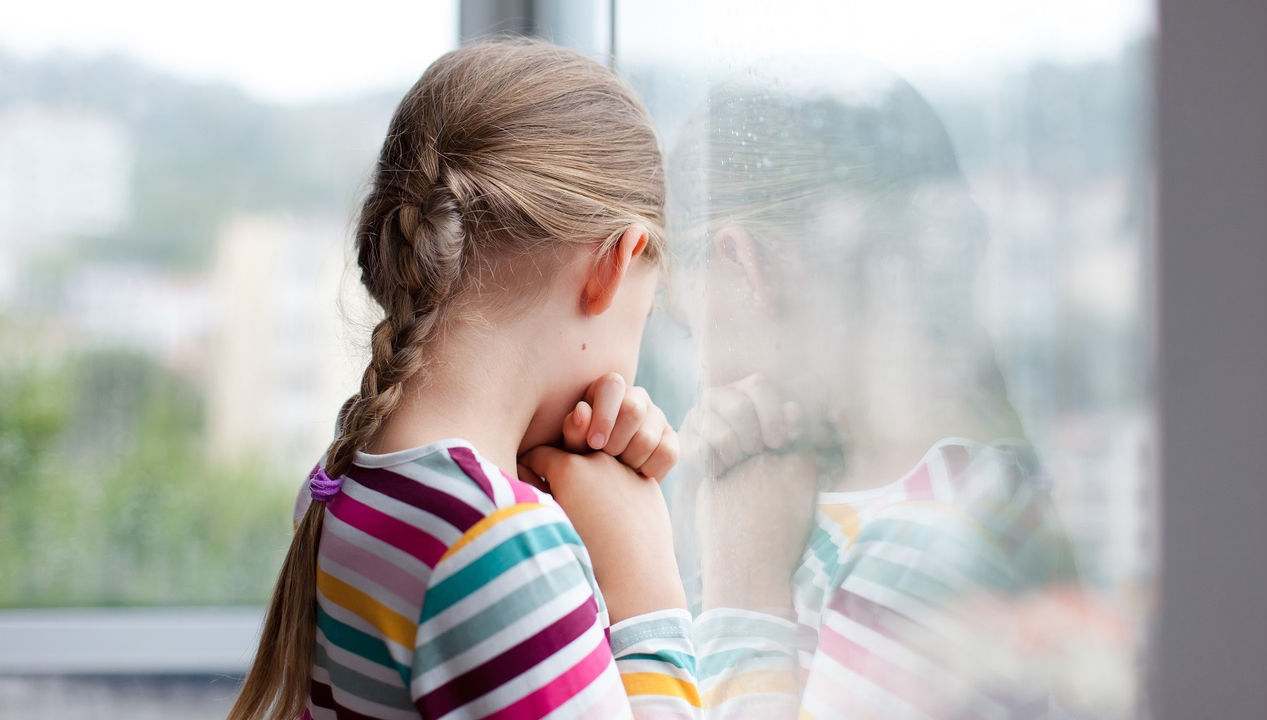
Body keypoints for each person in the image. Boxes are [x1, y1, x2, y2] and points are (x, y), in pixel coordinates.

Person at [228, 38, 701, 720]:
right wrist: (646, 586)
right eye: (643, 317)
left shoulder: (348, 482)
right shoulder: (496, 548)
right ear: (613, 264)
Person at [664, 62, 1079, 718]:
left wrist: (743, 593)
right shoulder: (961, 497)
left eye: (694, 335)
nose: (704, 380)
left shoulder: (913, 557)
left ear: (747, 265)